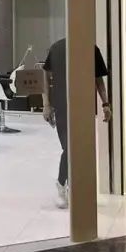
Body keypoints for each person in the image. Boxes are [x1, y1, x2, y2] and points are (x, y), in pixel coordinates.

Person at [42, 37, 111, 209]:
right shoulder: (57, 48)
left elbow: (98, 79)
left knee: (80, 149)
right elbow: (45, 76)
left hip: (84, 107)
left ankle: (72, 186)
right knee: (69, 148)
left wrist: (105, 104)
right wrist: (46, 104)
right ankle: (61, 184)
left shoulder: (91, 49)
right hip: (62, 106)